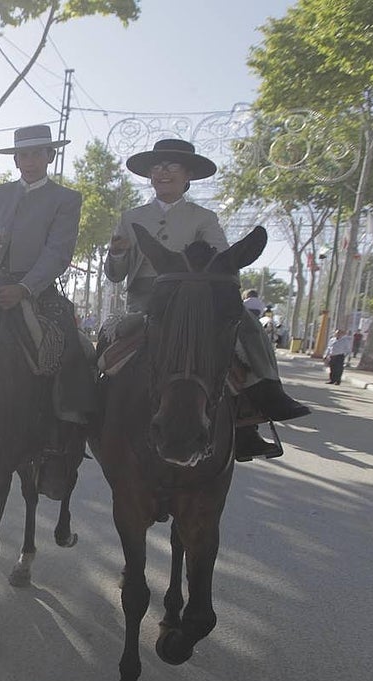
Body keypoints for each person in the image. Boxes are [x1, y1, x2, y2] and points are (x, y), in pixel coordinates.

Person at [105, 138, 310, 461]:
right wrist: (116, 254)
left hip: (196, 296)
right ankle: (92, 411)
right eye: (157, 166)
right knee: (109, 340)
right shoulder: (131, 216)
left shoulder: (204, 217)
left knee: (247, 326)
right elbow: (115, 274)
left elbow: (224, 262)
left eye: (172, 166)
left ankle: (263, 398)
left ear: (188, 176)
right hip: (147, 299)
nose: (163, 172)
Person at [0, 124, 93, 498]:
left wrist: (22, 289)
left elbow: (58, 253)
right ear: (16, 159)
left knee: (67, 347)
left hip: (34, 290)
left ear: (49, 156)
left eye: (38, 154)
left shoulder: (66, 200)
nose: (30, 161)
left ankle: (58, 441)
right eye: (24, 155)